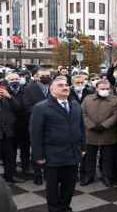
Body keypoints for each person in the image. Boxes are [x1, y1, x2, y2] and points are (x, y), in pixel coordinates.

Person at [30, 76, 85, 212]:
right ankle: (54, 209)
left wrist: (83, 147)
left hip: (72, 154)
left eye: (66, 85)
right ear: (52, 89)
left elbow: (81, 127)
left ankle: (65, 207)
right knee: (53, 187)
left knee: (70, 185)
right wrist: (39, 156)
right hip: (53, 155)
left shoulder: (75, 105)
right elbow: (35, 133)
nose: (65, 87)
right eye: (60, 85)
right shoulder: (41, 107)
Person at [81, 80, 117, 187]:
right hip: (90, 133)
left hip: (108, 133)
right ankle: (89, 176)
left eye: (107, 89)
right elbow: (82, 113)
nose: (105, 91)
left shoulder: (115, 100)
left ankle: (106, 176)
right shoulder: (88, 99)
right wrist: (91, 125)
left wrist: (104, 125)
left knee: (107, 157)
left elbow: (116, 115)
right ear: (96, 89)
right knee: (89, 157)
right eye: (102, 88)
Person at [23, 67, 52, 185]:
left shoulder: (53, 87)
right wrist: (41, 112)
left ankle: (48, 173)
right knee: (36, 149)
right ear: (37, 77)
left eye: (47, 75)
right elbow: (26, 105)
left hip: (52, 124)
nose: (46, 78)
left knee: (49, 149)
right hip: (36, 122)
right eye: (43, 76)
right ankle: (37, 174)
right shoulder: (29, 88)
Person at [4, 73, 31, 175]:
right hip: (10, 125)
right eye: (12, 79)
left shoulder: (25, 90)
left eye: (16, 79)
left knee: (25, 148)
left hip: (24, 123)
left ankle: (25, 167)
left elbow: (25, 106)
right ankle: (12, 170)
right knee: (12, 150)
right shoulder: (5, 91)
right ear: (8, 81)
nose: (15, 81)